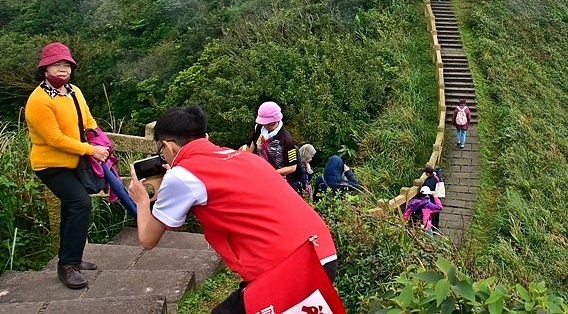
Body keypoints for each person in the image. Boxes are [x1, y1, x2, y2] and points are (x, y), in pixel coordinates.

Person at [127, 105, 338, 314]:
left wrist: (142, 201)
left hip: (292, 266)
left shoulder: (181, 176)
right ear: (206, 136)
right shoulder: (243, 156)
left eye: (161, 151)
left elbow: (148, 238)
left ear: (168, 146)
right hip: (320, 250)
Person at [25, 42, 110, 289]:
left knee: (71, 208)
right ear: (44, 69)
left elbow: (87, 119)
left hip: (74, 162)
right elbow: (55, 139)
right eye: (56, 65)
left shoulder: (74, 92)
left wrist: (95, 134)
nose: (62, 70)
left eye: (66, 65)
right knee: (80, 204)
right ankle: (67, 266)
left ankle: (72, 258)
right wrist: (90, 149)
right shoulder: (38, 100)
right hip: (50, 165)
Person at [242, 101, 300, 188]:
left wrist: (270, 173)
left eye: (269, 124)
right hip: (260, 171)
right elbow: (253, 143)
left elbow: (292, 167)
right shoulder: (258, 128)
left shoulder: (286, 140)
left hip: (279, 179)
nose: (266, 126)